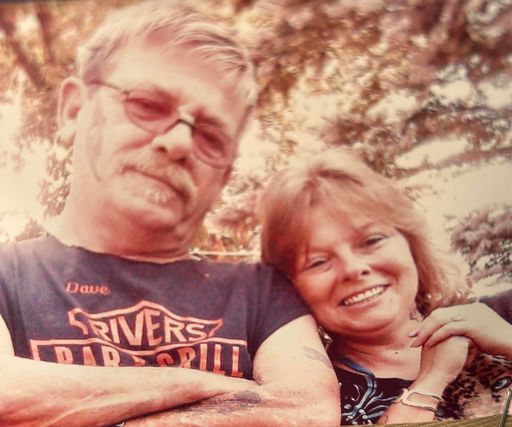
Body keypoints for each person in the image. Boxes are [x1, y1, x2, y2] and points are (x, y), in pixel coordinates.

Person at [0, 2, 340, 426]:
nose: (179, 144)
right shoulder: (6, 273)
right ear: (73, 110)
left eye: (211, 137)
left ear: (223, 176)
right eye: (146, 104)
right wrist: (208, 386)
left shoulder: (262, 292)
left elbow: (307, 411)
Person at [259, 147, 512, 424]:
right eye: (318, 262)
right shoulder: (317, 404)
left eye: (371, 240)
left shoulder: (502, 314)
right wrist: (431, 381)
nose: (353, 268)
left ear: (410, 243)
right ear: (291, 288)